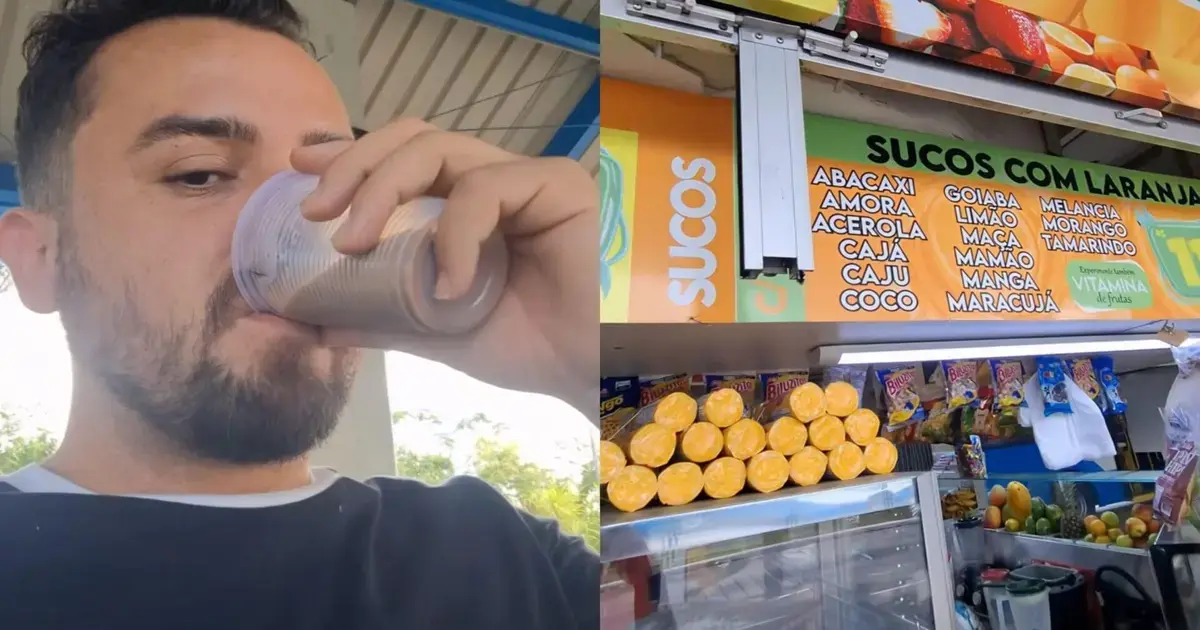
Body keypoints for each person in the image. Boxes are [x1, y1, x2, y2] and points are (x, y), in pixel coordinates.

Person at [0, 1, 600, 628]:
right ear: (41, 257)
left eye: (338, 182)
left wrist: (599, 366)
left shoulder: (503, 557)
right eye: (199, 174)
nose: (305, 227)